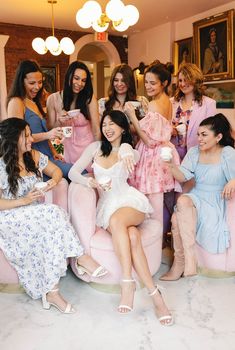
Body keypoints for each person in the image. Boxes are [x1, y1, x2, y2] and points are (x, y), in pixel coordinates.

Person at [68, 110, 173, 326]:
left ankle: (127, 282)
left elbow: (130, 153)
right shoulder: (95, 148)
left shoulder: (128, 149)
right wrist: (91, 183)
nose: (107, 128)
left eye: (112, 124)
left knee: (118, 222)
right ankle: (156, 296)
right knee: (132, 236)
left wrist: (126, 150)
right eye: (105, 123)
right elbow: (73, 173)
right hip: (108, 205)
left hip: (130, 203)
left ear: (123, 128)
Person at [0, 118, 108, 312]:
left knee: (50, 226)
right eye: (25, 135)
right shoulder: (0, 165)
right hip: (9, 216)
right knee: (53, 213)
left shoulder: (33, 156)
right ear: (12, 138)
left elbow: (56, 171)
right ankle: (80, 257)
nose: (30, 138)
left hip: (34, 214)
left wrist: (52, 182)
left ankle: (52, 292)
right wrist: (23, 201)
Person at [160, 114, 235, 281]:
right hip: (197, 196)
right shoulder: (194, 152)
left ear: (219, 137)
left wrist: (233, 181)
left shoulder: (227, 153)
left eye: (204, 135)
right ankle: (189, 259)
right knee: (183, 200)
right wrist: (170, 165)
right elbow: (182, 177)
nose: (199, 139)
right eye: (198, 134)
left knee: (176, 218)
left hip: (216, 200)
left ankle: (180, 263)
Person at [124, 61, 181, 239]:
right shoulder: (167, 102)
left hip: (152, 156)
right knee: (159, 201)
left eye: (152, 83)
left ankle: (153, 243)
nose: (148, 86)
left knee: (152, 203)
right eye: (146, 82)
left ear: (163, 83)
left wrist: (132, 116)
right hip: (163, 152)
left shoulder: (156, 104)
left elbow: (148, 141)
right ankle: (159, 240)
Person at [7, 60, 72, 180]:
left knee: (77, 172)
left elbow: (44, 131)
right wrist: (48, 135)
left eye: (40, 82)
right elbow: (16, 137)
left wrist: (54, 152)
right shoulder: (16, 102)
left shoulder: (34, 102)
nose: (37, 87)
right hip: (33, 159)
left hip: (48, 157)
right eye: (32, 83)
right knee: (75, 174)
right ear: (21, 81)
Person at [46, 61, 100, 165]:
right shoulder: (53, 99)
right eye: (76, 78)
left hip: (87, 149)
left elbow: (96, 130)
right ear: (68, 77)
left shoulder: (89, 99)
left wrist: (97, 153)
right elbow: (50, 129)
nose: (80, 84)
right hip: (65, 149)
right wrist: (59, 121)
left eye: (83, 80)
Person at [171, 63, 216, 161]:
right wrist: (170, 129)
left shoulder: (209, 104)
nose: (182, 84)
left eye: (186, 80)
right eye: (180, 80)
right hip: (173, 156)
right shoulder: (171, 102)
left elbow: (211, 134)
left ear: (195, 80)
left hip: (197, 157)